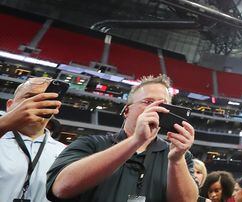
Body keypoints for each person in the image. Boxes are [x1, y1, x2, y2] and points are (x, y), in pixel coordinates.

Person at [46, 74, 199, 201]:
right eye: (148, 102)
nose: (155, 108)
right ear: (127, 111)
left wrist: (177, 160)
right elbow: (61, 188)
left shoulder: (179, 156)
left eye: (163, 105)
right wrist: (135, 141)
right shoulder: (90, 144)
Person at [0, 77, 65, 202]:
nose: (37, 103)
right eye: (29, 97)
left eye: (46, 99)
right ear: (10, 105)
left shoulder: (65, 152)